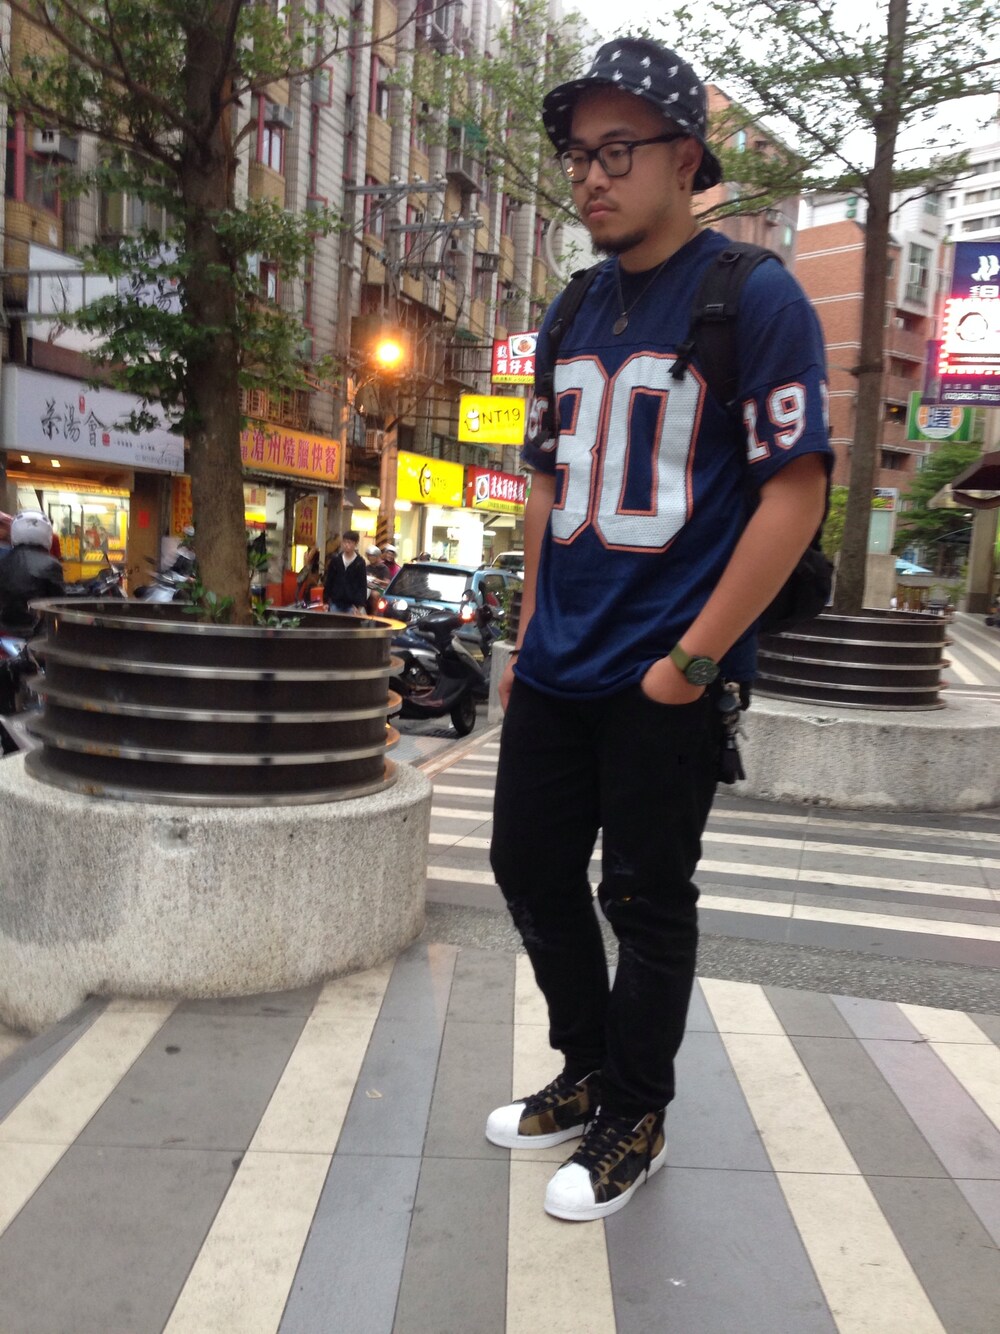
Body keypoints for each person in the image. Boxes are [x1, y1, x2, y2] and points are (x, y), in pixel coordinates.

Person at [486, 37, 831, 1223]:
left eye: (618, 150)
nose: (591, 175)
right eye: (578, 154)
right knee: (527, 867)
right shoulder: (573, 305)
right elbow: (545, 480)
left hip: (664, 674)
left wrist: (691, 662)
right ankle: (586, 1069)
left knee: (644, 897)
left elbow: (794, 491)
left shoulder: (753, 294)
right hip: (556, 664)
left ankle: (637, 1111)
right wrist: (526, 631)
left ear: (685, 159)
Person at [0, 510, 65, 630]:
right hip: (37, 629)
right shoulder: (52, 564)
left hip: (5, 626)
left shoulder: (4, 560)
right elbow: (58, 604)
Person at [323, 530, 367, 614]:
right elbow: (329, 580)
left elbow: (362, 584)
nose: (346, 545)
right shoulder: (336, 560)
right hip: (335, 602)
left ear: (355, 544)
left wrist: (359, 605)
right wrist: (325, 601)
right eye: (345, 542)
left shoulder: (359, 562)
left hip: (352, 604)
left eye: (349, 542)